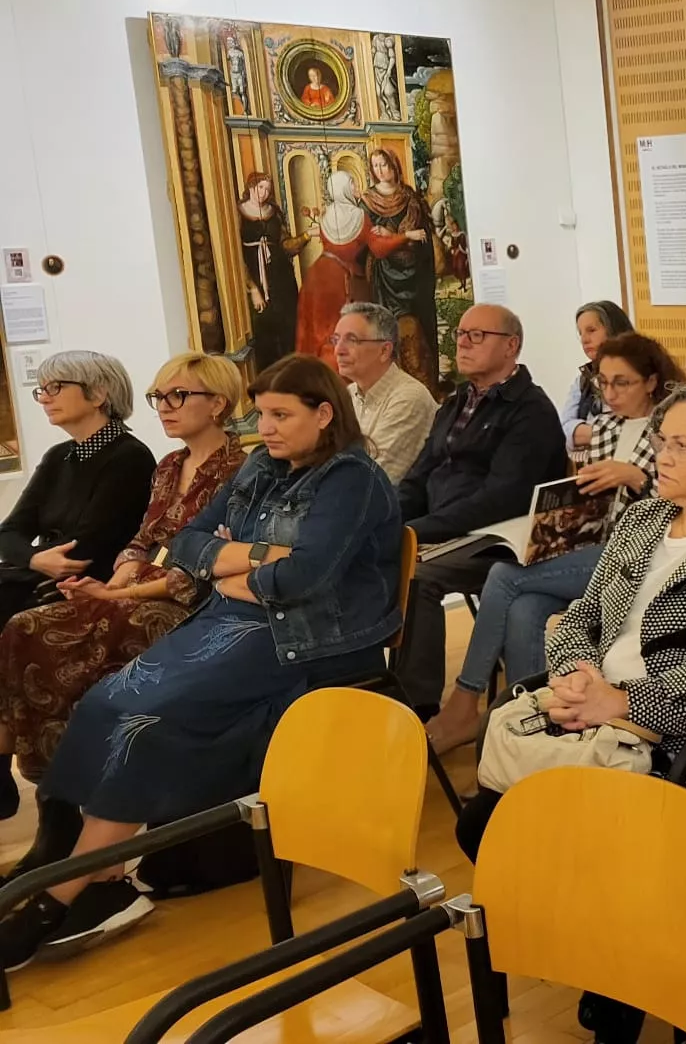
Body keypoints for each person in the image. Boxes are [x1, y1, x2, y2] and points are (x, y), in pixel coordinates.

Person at [0, 355, 402, 966]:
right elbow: (187, 542)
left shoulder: (352, 478)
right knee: (106, 701)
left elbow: (304, 577)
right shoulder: (263, 467)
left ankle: (59, 896)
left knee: (148, 722)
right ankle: (99, 876)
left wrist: (240, 569)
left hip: (308, 637)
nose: (264, 428)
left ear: (324, 414)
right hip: (236, 619)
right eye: (261, 413)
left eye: (280, 415)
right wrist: (257, 558)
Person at [454, 378, 686, 1043]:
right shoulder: (644, 518)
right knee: (484, 827)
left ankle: (622, 964)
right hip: (596, 710)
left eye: (679, 444)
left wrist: (625, 702)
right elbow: (583, 614)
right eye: (659, 441)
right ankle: (607, 941)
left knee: (590, 835)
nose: (660, 457)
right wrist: (573, 677)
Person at [0, 355, 244, 850]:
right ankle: (60, 807)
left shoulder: (239, 469)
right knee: (28, 630)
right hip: (141, 586)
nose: (164, 407)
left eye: (178, 396)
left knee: (40, 631)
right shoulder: (170, 465)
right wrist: (116, 582)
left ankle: (78, 809)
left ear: (218, 404)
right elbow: (141, 540)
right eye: (159, 397)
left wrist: (119, 589)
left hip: (194, 602)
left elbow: (202, 565)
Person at [425, 332, 684, 750]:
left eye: (623, 383)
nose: (611, 393)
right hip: (597, 546)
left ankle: (465, 700)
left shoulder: (671, 429)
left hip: (643, 555)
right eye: (603, 382)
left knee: (504, 578)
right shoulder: (602, 427)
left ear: (651, 382)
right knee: (526, 608)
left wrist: (637, 478)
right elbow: (596, 512)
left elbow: (683, 509)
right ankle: (540, 722)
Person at [397, 304, 568, 712]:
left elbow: (500, 500)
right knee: (372, 554)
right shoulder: (457, 402)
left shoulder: (531, 410)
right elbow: (419, 476)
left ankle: (412, 708)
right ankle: (360, 689)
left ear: (511, 346)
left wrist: (419, 532)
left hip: (499, 539)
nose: (462, 342)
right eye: (460, 333)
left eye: (477, 335)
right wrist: (389, 520)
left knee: (416, 576)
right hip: (446, 528)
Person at [0, 352, 156, 626]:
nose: (45, 398)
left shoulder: (130, 457)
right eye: (42, 390)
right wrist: (35, 558)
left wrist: (30, 558)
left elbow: (83, 549)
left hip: (86, 585)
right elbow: (9, 532)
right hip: (40, 577)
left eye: (56, 388)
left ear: (97, 395)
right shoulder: (58, 456)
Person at [360, 148, 438, 391]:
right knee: (391, 329)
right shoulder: (368, 201)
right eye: (375, 166)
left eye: (384, 164)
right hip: (384, 276)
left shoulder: (410, 197)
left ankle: (426, 385)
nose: (380, 170)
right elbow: (372, 242)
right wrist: (400, 237)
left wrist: (393, 236)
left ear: (393, 164)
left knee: (419, 325)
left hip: (415, 276)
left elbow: (421, 236)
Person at [334, 301, 436, 484]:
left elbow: (373, 479)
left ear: (384, 351)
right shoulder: (347, 395)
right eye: (336, 339)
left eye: (352, 340)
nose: (338, 350)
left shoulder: (409, 398)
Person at [294, 171, 369, 365]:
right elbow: (375, 246)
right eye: (352, 184)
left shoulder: (327, 215)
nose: (356, 188)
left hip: (320, 273)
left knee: (317, 329)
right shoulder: (360, 215)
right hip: (342, 277)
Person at [238, 172, 303, 373]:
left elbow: (286, 246)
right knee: (264, 328)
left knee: (287, 325)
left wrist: (307, 237)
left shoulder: (274, 212)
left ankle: (291, 375)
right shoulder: (237, 213)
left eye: (267, 189)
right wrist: (253, 288)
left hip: (281, 277)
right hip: (256, 276)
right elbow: (235, 254)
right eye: (260, 188)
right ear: (251, 187)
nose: (264, 193)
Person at [560, 300, 635, 447]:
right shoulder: (583, 380)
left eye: (591, 330)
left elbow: (637, 427)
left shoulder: (640, 375)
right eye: (580, 333)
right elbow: (564, 430)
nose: (584, 340)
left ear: (614, 329)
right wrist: (608, 432)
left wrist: (585, 431)